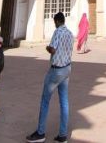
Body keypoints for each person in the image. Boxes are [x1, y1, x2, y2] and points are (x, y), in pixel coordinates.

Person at [26, 12, 73, 143]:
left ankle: (40, 133)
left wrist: (47, 47)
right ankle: (62, 135)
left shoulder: (58, 32)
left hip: (56, 71)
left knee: (45, 101)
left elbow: (52, 49)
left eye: (55, 22)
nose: (54, 24)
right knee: (64, 102)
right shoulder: (70, 33)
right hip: (67, 69)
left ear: (58, 21)